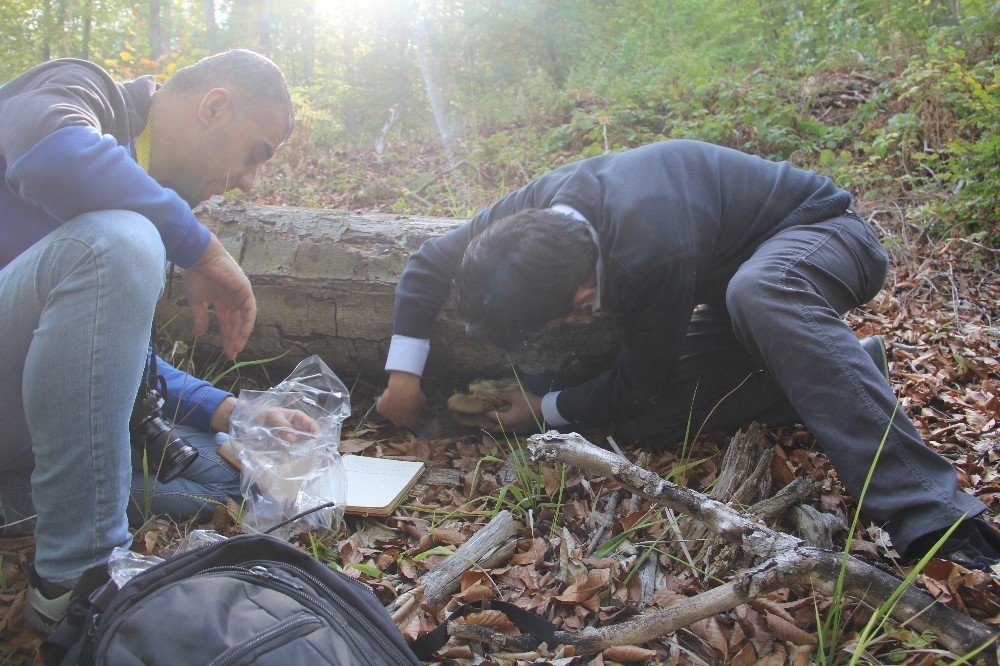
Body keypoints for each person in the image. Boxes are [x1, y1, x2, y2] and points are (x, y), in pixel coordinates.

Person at [377, 140, 1000, 570]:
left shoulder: (653, 243)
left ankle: (932, 513)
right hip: (738, 299)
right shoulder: (536, 209)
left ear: (583, 294)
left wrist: (544, 406)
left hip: (825, 238)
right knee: (640, 423)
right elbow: (431, 260)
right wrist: (403, 379)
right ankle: (841, 368)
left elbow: (643, 375)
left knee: (756, 291)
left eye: (563, 317)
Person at [0, 50, 302, 633]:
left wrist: (235, 412)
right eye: (254, 155)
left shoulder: (141, 196)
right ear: (214, 106)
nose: (248, 181)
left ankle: (22, 502)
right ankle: (74, 584)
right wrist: (201, 247)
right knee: (118, 241)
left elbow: (94, 363)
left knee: (236, 479)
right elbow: (54, 159)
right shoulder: (83, 90)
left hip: (25, 428)